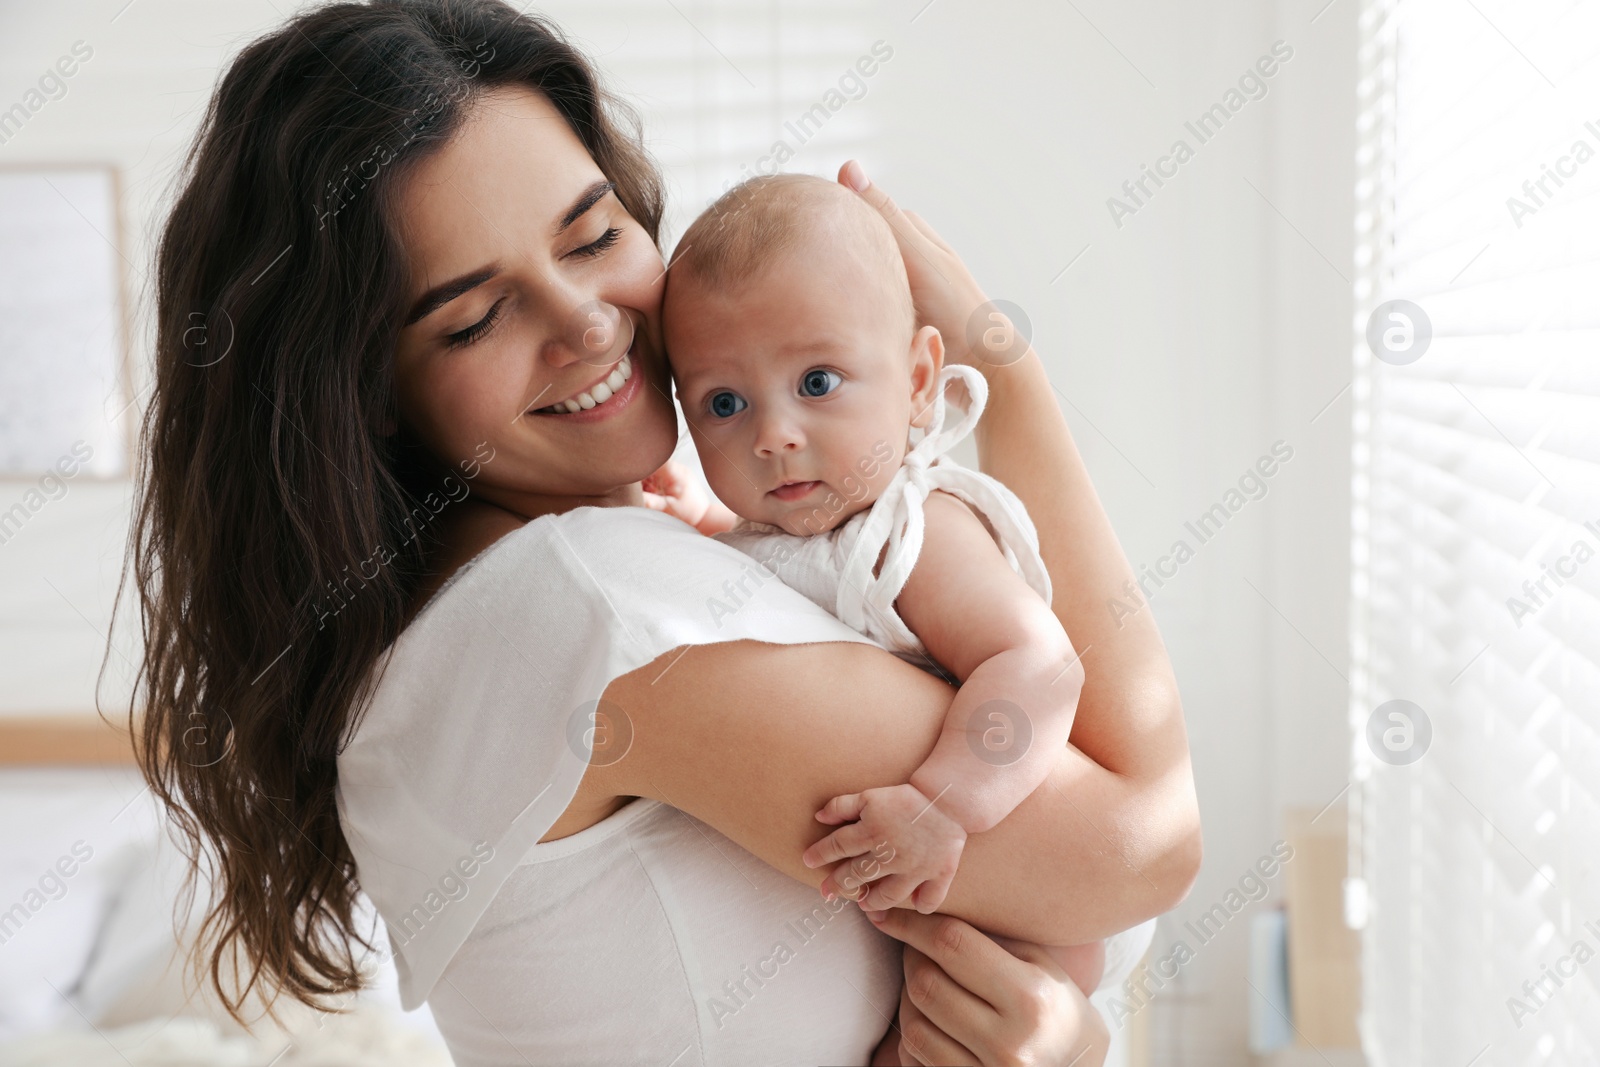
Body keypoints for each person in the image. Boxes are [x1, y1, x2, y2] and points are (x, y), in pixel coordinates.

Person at [126, 2, 1201, 1064]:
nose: (589, 321)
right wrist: (1006, 376)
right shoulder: (597, 603)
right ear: (369, 396)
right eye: (474, 316)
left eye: (594, 236)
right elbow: (1144, 846)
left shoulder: (510, 605)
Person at [661, 173, 1113, 993]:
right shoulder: (790, 524)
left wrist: (945, 806)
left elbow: (1040, 665)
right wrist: (701, 523)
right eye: (724, 402)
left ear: (916, 381)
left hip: (1016, 906)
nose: (774, 435)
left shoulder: (915, 530)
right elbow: (776, 575)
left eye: (817, 382)